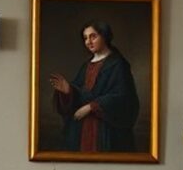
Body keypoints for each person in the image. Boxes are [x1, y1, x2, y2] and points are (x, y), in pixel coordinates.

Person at [49, 21, 140, 153]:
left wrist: (92, 106)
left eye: (93, 36)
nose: (88, 42)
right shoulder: (86, 65)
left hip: (106, 130)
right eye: (85, 38)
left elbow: (123, 97)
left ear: (104, 36)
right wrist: (68, 91)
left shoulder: (118, 64)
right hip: (82, 129)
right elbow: (81, 93)